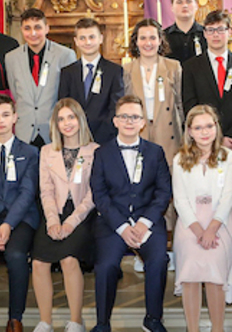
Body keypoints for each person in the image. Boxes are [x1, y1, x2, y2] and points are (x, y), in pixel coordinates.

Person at [90, 95, 171, 332]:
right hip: (113, 222)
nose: (129, 121)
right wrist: (122, 227)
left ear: (143, 122)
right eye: (124, 116)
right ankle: (102, 323)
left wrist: (145, 222)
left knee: (158, 260)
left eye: (135, 117)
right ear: (115, 121)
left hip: (148, 220)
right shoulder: (102, 153)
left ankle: (153, 319)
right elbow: (100, 195)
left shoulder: (155, 152)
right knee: (106, 266)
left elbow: (163, 192)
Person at [172, 105, 232, 332]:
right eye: (198, 128)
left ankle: (218, 328)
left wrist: (211, 230)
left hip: (221, 221)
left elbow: (229, 196)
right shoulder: (179, 159)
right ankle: (193, 328)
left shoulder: (228, 157)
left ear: (216, 127)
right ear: (190, 131)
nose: (204, 132)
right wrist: (200, 232)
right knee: (190, 270)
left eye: (209, 126)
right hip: (190, 223)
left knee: (214, 270)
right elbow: (180, 200)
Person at [31, 98, 98, 332]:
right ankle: (45, 322)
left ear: (80, 119)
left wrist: (70, 223)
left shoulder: (95, 150)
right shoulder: (47, 151)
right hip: (54, 212)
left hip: (83, 214)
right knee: (38, 263)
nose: (67, 123)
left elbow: (93, 195)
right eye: (61, 119)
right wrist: (52, 221)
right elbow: (46, 190)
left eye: (71, 117)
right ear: (55, 124)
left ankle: (76, 321)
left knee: (69, 259)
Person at [182, 10, 232, 157]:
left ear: (230, 32)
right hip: (204, 141)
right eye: (210, 30)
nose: (215, 35)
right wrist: (214, 136)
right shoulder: (191, 67)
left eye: (220, 29)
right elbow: (190, 104)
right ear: (204, 33)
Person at [5, 8, 77, 147]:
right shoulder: (11, 58)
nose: (33, 33)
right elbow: (15, 93)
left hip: (55, 131)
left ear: (46, 28)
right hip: (24, 132)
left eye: (38, 27)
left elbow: (70, 96)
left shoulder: (65, 55)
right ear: (21, 30)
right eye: (27, 28)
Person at [0, 94, 39, 332]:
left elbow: (27, 193)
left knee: (15, 255)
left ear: (15, 117)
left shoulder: (30, 152)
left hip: (22, 217)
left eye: (5, 115)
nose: (1, 121)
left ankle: (15, 319)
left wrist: (8, 224)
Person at [123, 18, 183, 169]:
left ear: (160, 40)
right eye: (143, 38)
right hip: (139, 134)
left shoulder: (173, 67)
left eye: (152, 38)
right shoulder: (126, 70)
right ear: (136, 41)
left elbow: (180, 103)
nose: (148, 43)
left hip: (168, 135)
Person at [58, 18, 124, 144]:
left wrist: (103, 134)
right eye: (82, 38)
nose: (87, 42)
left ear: (101, 39)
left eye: (92, 37)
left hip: (105, 138)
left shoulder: (114, 71)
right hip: (74, 136)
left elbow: (115, 107)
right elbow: (64, 105)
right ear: (76, 41)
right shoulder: (67, 72)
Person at [164, 0, 207, 64]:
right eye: (179, 2)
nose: (184, 6)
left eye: (188, 1)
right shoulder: (163, 36)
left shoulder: (206, 34)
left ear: (196, 5)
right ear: (172, 7)